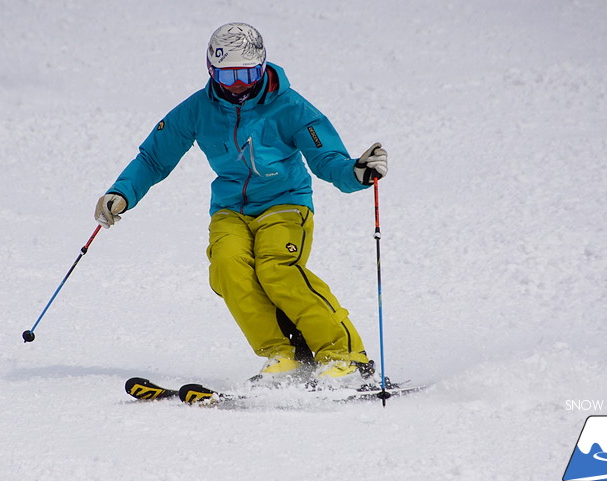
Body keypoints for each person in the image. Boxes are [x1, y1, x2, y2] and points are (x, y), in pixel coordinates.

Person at [95, 22, 388, 385]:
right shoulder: (197, 110)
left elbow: (327, 157)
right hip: (230, 209)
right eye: (227, 73)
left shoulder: (291, 107)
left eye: (247, 72)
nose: (237, 83)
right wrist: (122, 193)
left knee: (276, 268)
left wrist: (356, 173)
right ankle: (284, 357)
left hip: (285, 203)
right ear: (211, 69)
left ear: (262, 66)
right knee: (228, 270)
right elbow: (155, 157)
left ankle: (345, 355)